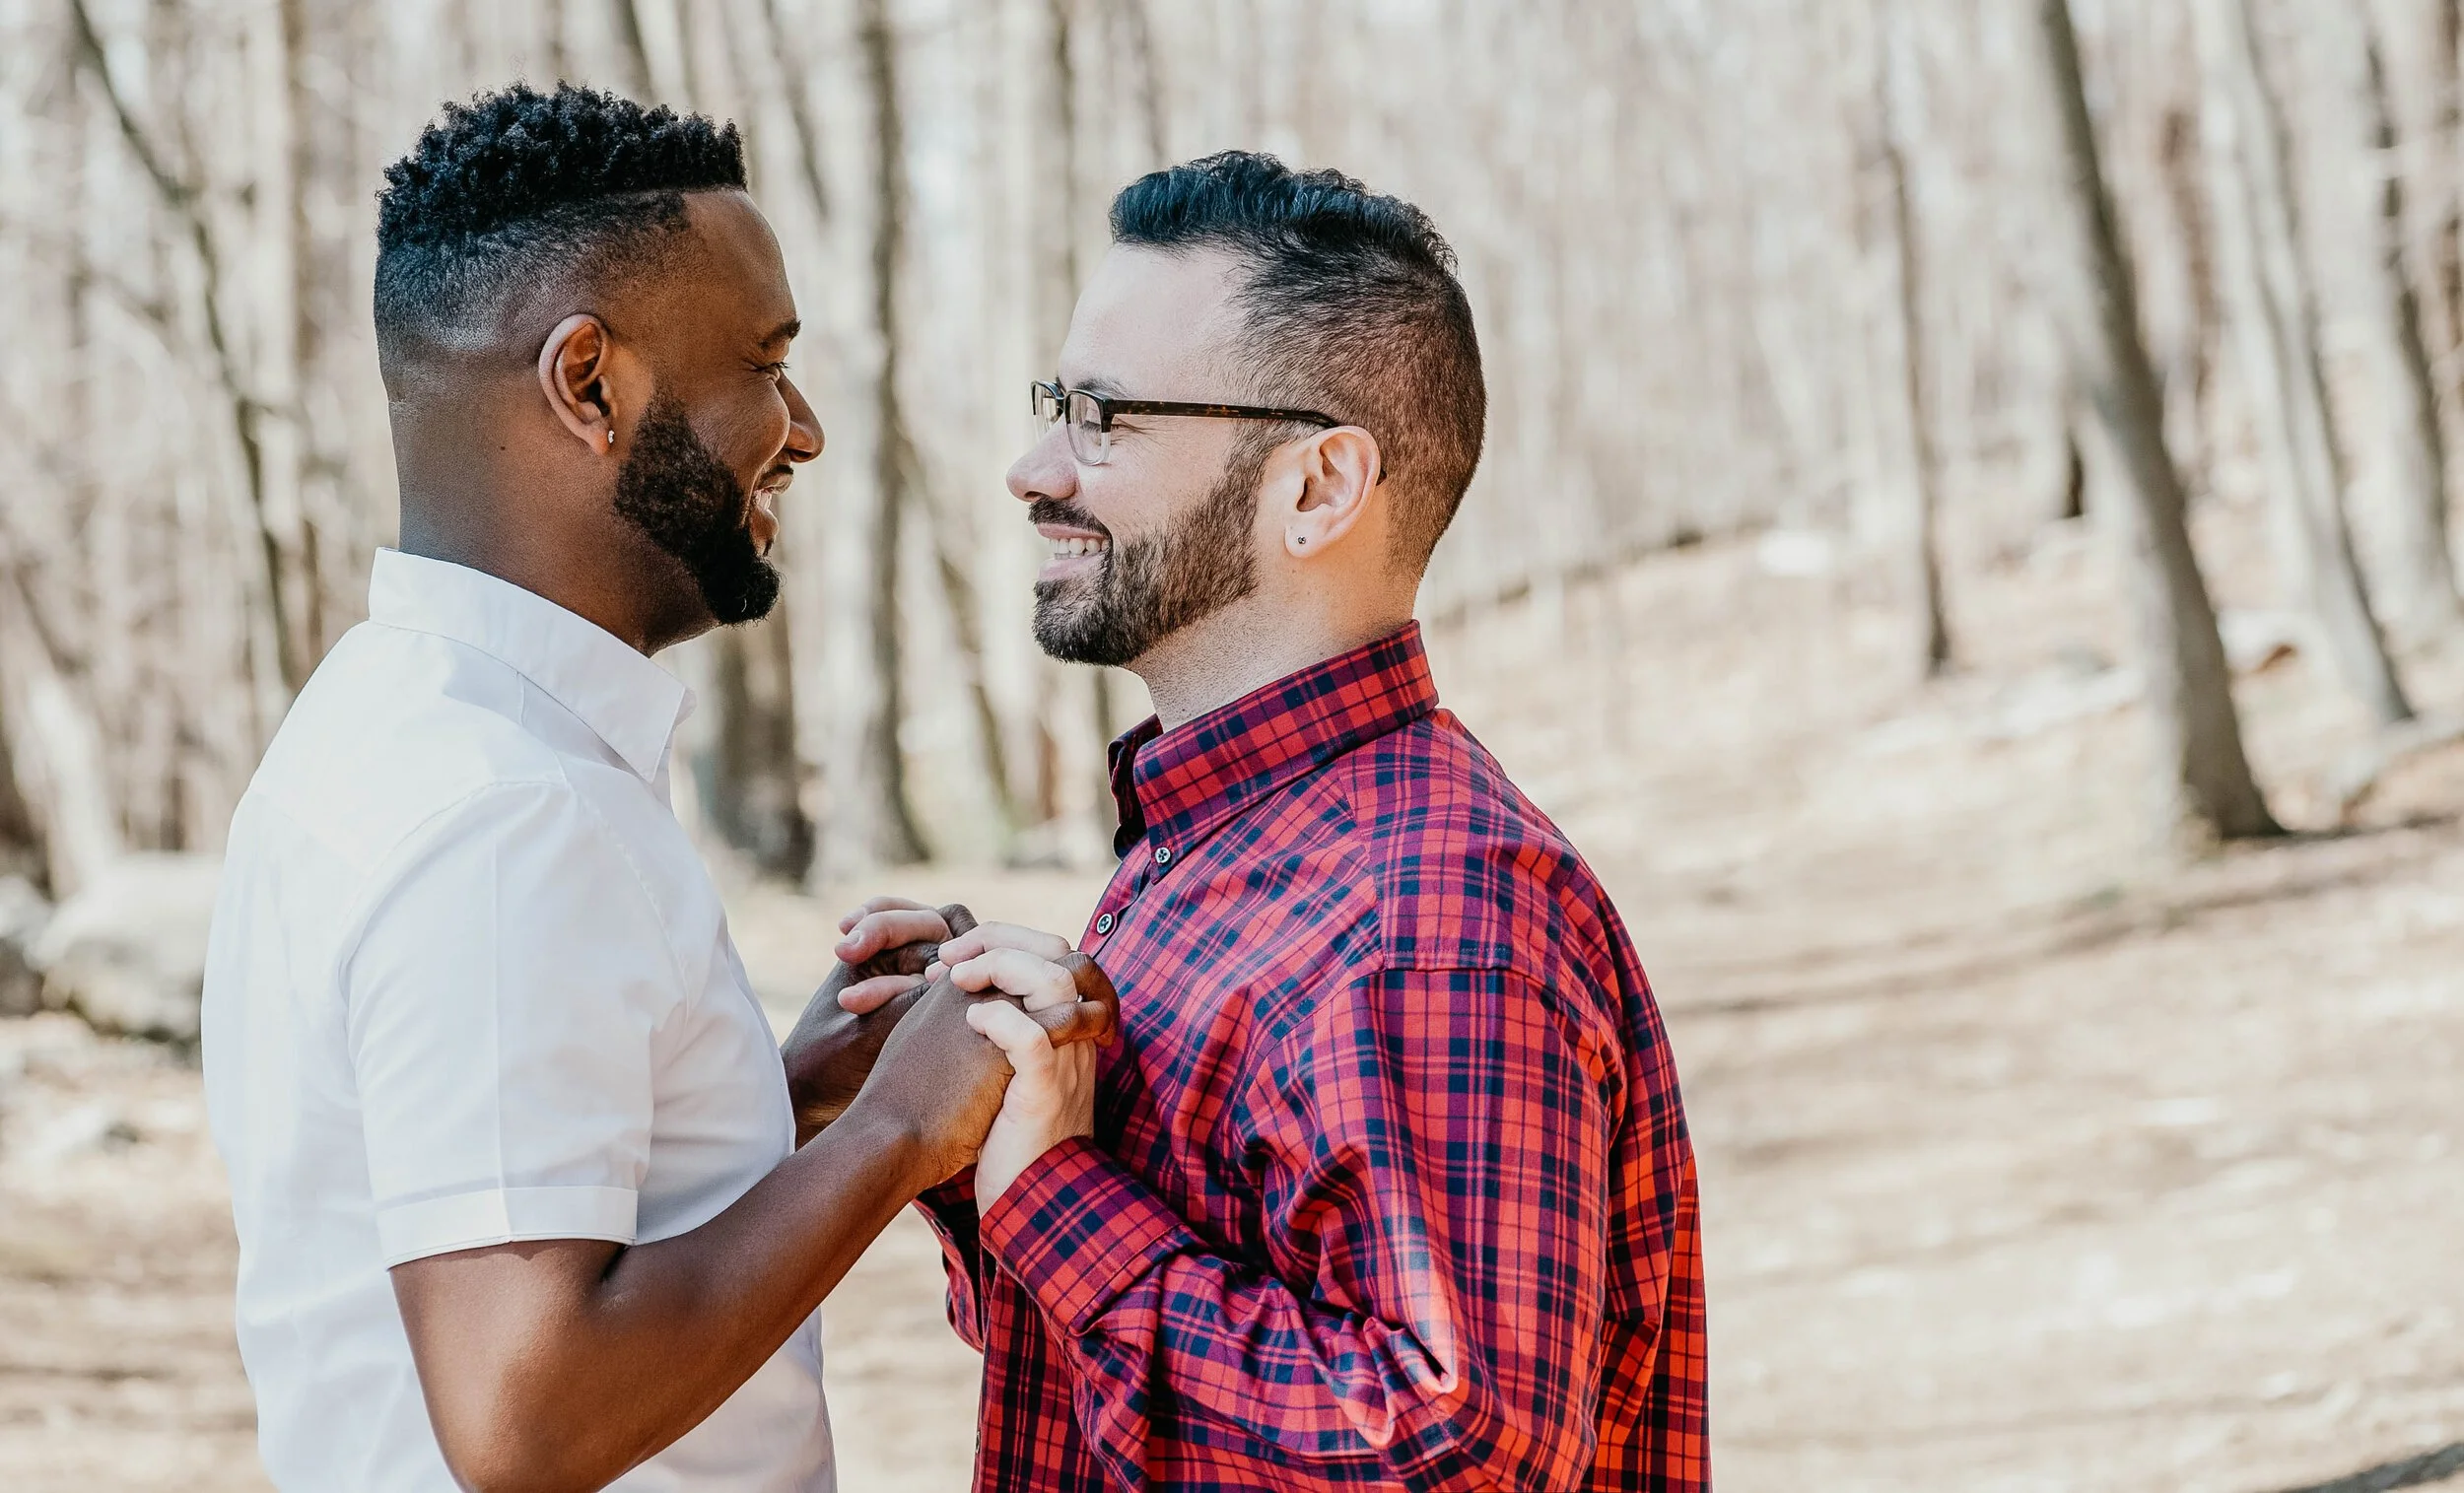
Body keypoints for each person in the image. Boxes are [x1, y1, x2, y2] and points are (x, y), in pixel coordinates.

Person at [200, 83, 1115, 1493]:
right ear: (590, 384)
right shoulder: (504, 813)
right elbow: (528, 1414)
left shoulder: (391, 723)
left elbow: (505, 1199)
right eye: (764, 361)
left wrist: (779, 1097)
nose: (800, 428)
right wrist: (892, 1132)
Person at [840, 152, 1708, 1491]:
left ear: (1318, 488)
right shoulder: (1207, 851)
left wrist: (1057, 1199)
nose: (1033, 467)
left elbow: (1449, 1453)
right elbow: (1131, 1386)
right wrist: (985, 1123)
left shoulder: (1431, 915)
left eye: (1104, 417)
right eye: (1055, 405)